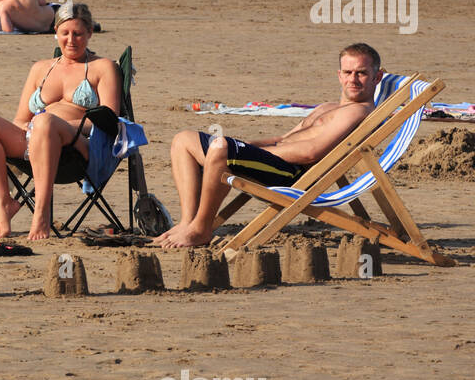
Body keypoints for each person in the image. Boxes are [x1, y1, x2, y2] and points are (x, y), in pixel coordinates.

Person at [153, 43, 383, 249]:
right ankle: (187, 222)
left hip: (291, 175)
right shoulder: (328, 107)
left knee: (221, 150)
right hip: (273, 161)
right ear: (339, 75)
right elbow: (284, 138)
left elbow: (311, 152)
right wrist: (248, 146)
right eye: (348, 72)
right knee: (184, 139)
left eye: (361, 73)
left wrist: (253, 152)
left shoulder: (358, 111)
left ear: (377, 77)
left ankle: (200, 230)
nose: (353, 79)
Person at [0, 2, 119, 240]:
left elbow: (110, 121)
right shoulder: (40, 69)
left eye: (78, 33)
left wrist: (63, 127)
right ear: (55, 33)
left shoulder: (104, 67)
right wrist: (34, 129)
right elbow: (21, 119)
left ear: (90, 33)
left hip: (80, 146)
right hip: (36, 139)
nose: (71, 40)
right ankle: (4, 207)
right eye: (65, 33)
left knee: (45, 122)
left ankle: (41, 215)